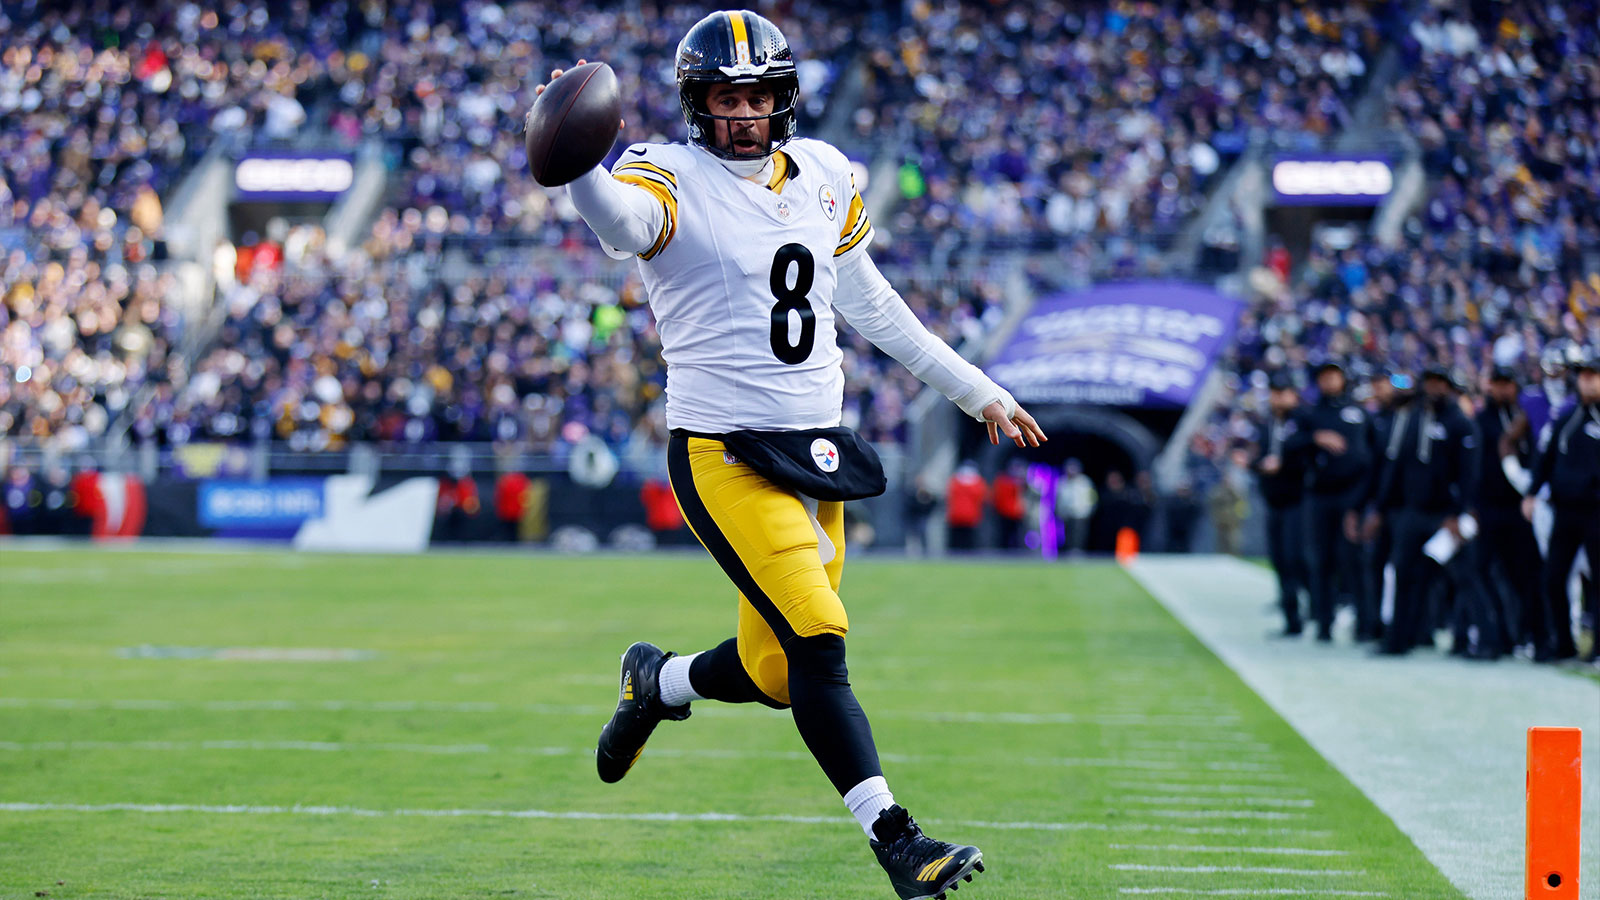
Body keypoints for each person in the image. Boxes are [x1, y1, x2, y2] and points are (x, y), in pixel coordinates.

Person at [538, 15, 1046, 898]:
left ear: (785, 98)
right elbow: (620, 223)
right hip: (723, 450)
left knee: (777, 673)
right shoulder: (666, 173)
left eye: (760, 95)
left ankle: (658, 683)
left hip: (817, 452)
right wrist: (581, 152)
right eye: (728, 98)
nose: (745, 113)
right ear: (699, 105)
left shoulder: (822, 172)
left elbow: (876, 308)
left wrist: (978, 391)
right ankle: (899, 842)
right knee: (818, 639)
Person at [1375, 368, 1491, 657]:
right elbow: (1398, 467)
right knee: (1405, 574)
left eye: (1440, 383)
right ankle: (1399, 640)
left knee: (1465, 578)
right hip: (1414, 512)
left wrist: (1459, 512)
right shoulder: (1414, 420)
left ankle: (1489, 641)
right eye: (1429, 383)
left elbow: (1470, 474)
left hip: (1446, 515)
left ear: (1449, 387)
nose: (1434, 389)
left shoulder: (1461, 424)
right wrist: (1381, 508)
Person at [1524, 354, 1600, 663]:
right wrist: (1531, 493)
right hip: (1565, 510)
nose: (1587, 381)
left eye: (1593, 375)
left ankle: (1597, 648)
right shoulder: (1567, 415)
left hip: (1597, 511)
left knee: (1597, 580)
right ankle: (1564, 644)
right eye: (1583, 375)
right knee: (1553, 578)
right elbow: (1546, 458)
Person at [1302, 361, 1372, 641]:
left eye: (1334, 376)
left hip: (1350, 496)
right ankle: (1323, 622)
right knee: (1321, 562)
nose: (1330, 381)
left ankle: (1365, 623)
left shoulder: (1357, 413)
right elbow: (1291, 445)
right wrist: (1315, 438)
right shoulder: (1310, 414)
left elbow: (1368, 458)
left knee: (1352, 560)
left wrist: (1358, 502)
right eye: (1325, 377)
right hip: (1320, 495)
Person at [1475, 367, 1542, 653]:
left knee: (1523, 574)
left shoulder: (1524, 418)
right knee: (1480, 571)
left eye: (1507, 384)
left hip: (1518, 509)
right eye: (1497, 384)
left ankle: (1526, 632)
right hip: (1488, 507)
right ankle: (1496, 633)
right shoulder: (1480, 420)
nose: (1502, 390)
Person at [1253, 373, 1311, 636]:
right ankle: (1291, 618)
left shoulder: (1302, 422)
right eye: (1274, 392)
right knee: (1279, 560)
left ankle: (1317, 607)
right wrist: (1257, 465)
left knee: (1295, 557)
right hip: (1273, 501)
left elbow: (1308, 452)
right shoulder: (1266, 425)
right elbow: (1259, 459)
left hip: (1298, 500)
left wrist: (1283, 461)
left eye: (1282, 392)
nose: (1277, 398)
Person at [945, 461, 988, 552]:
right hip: (968, 515)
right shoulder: (978, 482)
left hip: (959, 515)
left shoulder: (955, 481)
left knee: (960, 539)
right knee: (967, 539)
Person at [1056, 459, 1095, 555]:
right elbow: (1059, 498)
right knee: (1067, 533)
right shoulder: (1062, 481)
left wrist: (1088, 510)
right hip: (1067, 513)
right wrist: (1059, 511)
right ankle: (1068, 550)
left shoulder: (1085, 482)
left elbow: (1092, 497)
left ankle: (1078, 550)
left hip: (1080, 513)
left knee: (1079, 533)